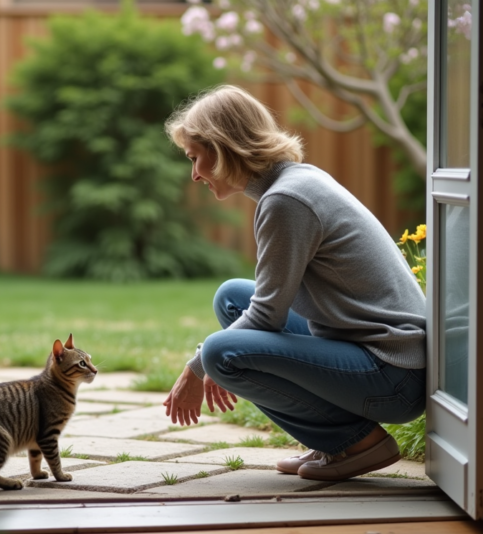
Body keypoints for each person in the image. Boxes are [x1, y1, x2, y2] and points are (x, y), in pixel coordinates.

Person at [162, 85, 426, 481]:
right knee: (232, 298)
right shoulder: (292, 183)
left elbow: (267, 316)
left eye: (196, 158)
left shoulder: (286, 201)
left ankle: (356, 443)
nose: (195, 173)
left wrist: (197, 367)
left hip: (394, 375)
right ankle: (335, 440)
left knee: (220, 352)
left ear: (223, 147)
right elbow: (267, 303)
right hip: (375, 351)